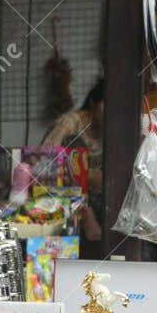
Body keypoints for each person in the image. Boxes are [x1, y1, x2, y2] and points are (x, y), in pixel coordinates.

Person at [41, 79, 104, 240]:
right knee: (74, 144)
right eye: (106, 105)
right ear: (93, 103)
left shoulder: (114, 129)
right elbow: (46, 158)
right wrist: (88, 176)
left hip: (97, 194)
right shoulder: (70, 123)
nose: (112, 113)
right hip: (61, 187)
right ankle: (86, 212)